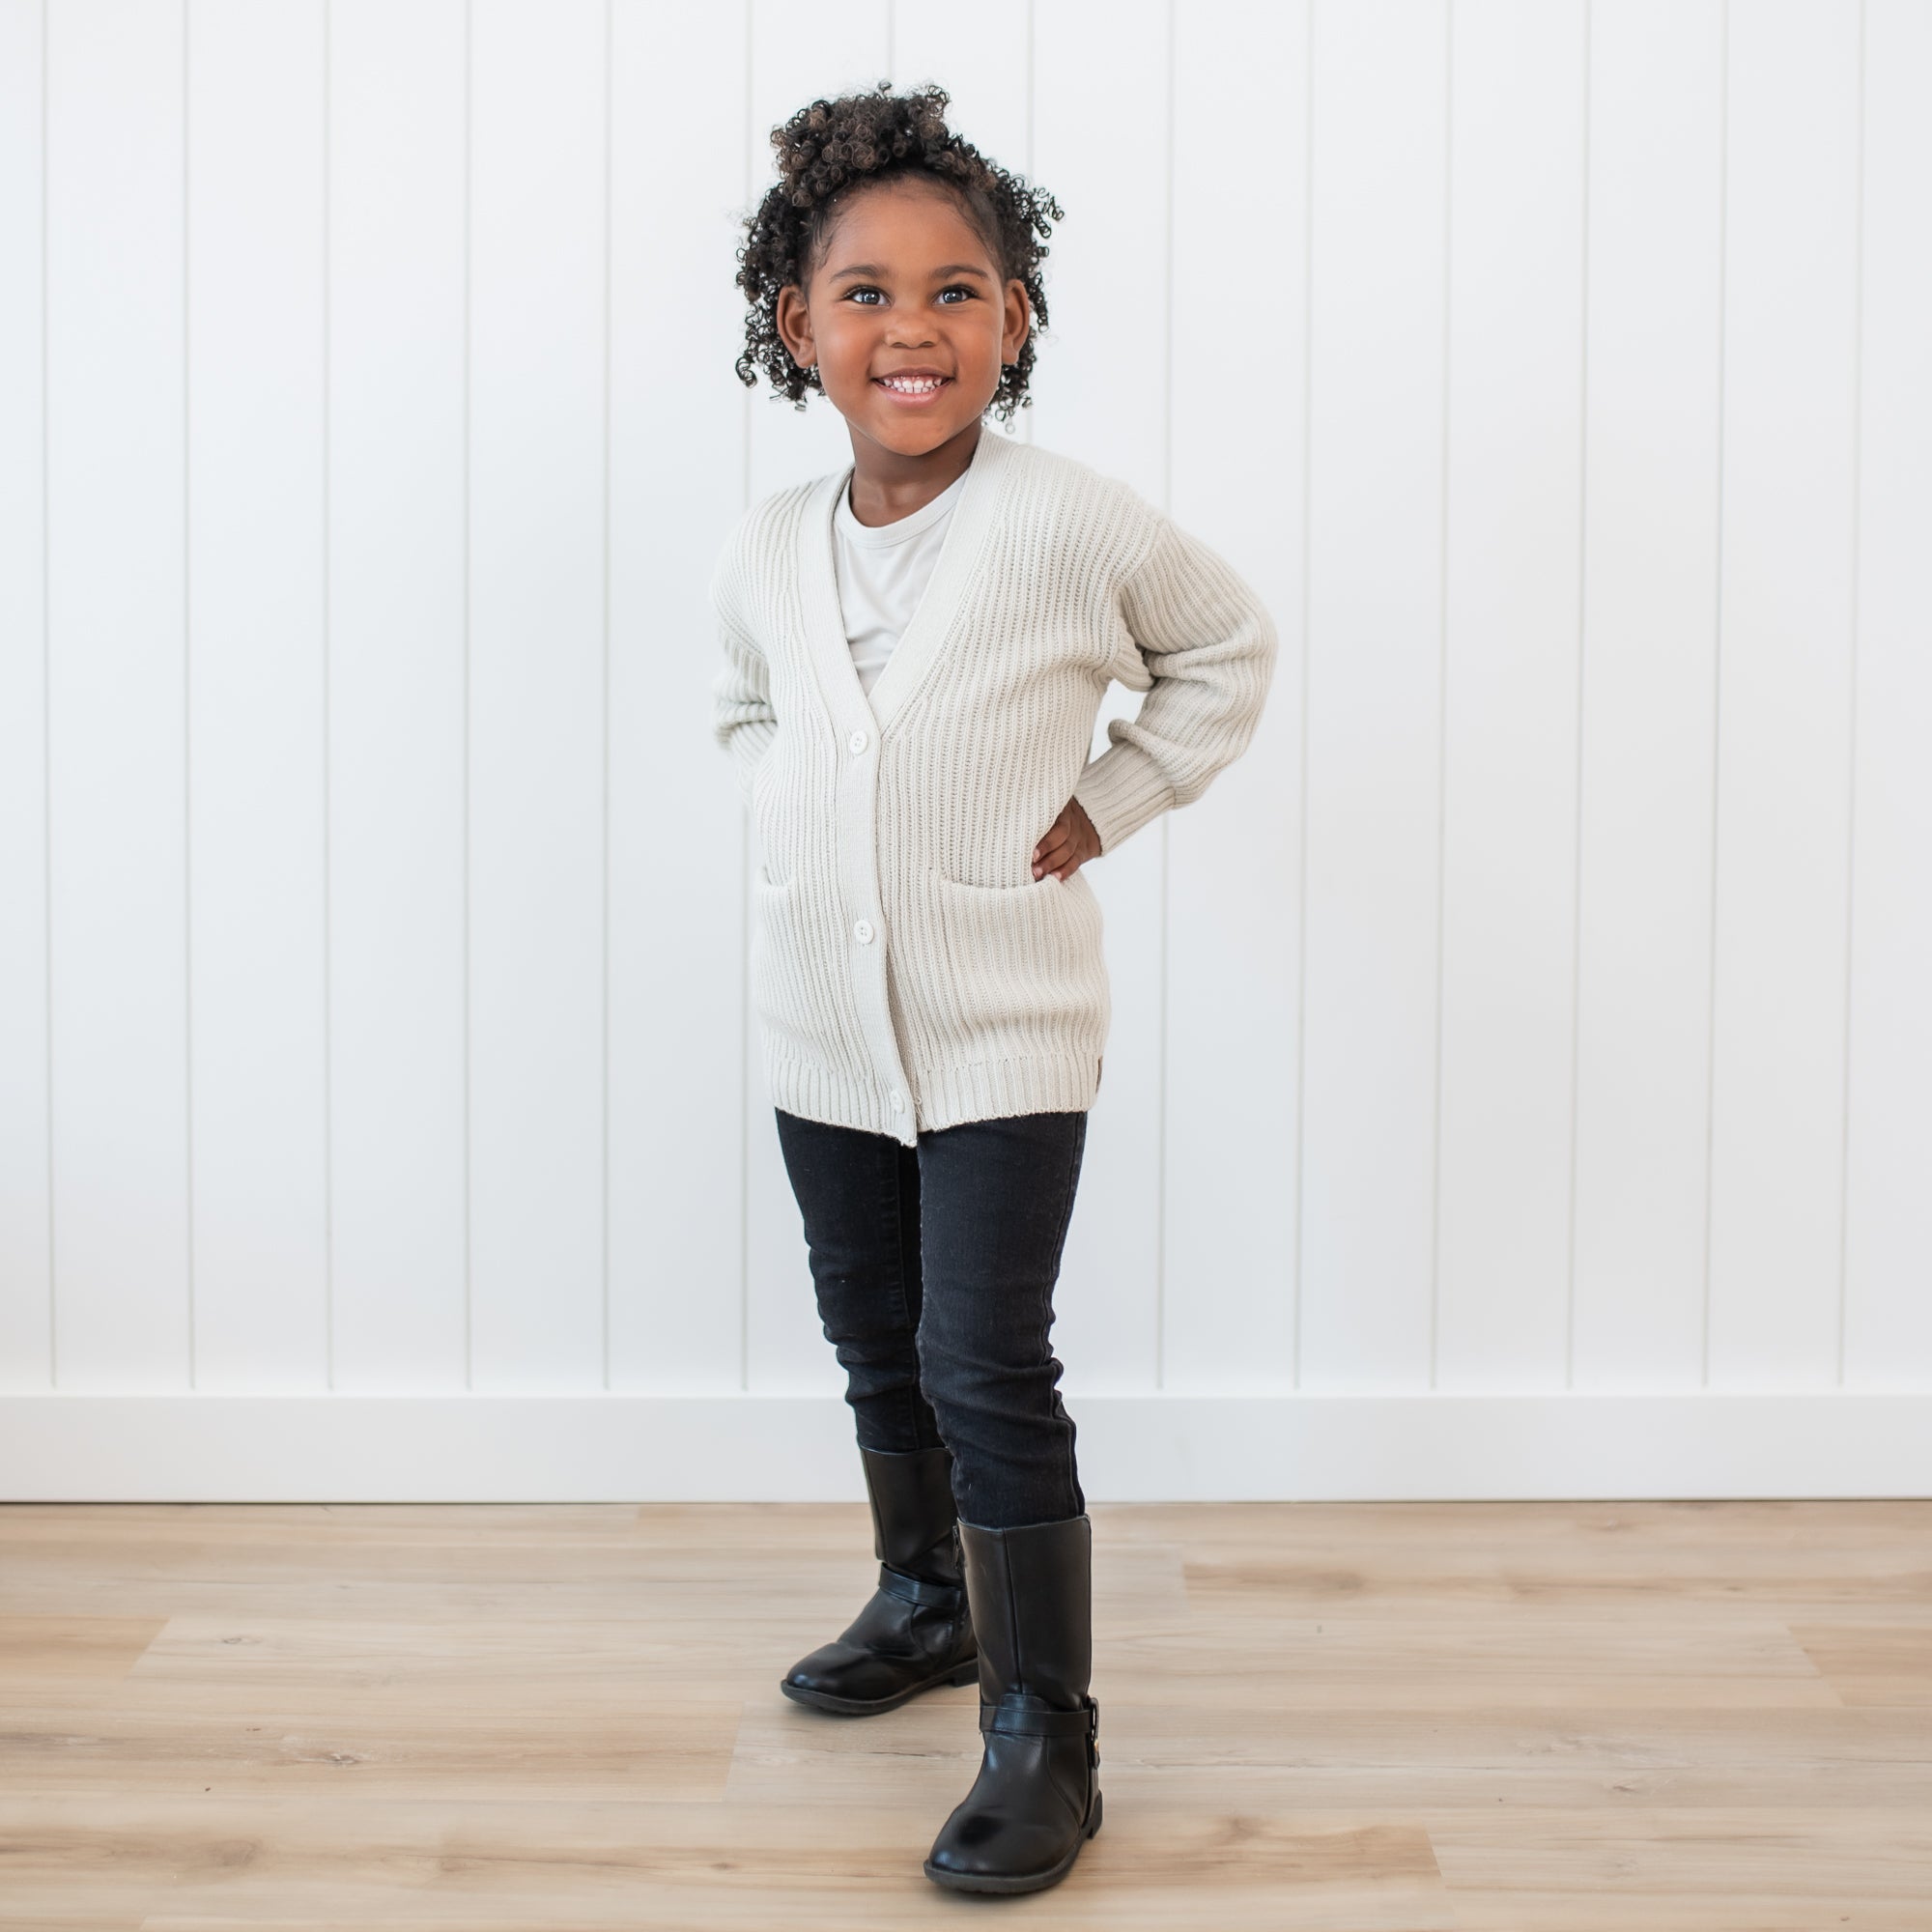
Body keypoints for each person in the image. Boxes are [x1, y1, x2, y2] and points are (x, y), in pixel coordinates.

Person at [709, 81, 1278, 1896]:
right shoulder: (769, 544)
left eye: (957, 291)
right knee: (871, 1333)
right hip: (820, 1026)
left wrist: (1110, 801)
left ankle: (1047, 1731)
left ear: (1013, 320)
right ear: (799, 324)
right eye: (866, 292)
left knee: (983, 1357)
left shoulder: (1067, 525)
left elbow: (1224, 650)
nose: (914, 328)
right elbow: (746, 710)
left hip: (1003, 1029)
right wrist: (800, 818)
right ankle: (926, 1596)